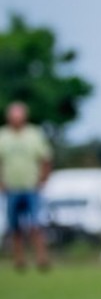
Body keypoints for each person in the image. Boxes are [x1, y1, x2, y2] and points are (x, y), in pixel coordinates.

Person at [0, 100, 53, 271]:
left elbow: (45, 158)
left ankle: (41, 258)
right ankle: (19, 260)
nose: (16, 120)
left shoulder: (34, 134)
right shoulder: (3, 136)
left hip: (32, 187)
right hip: (11, 188)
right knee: (14, 227)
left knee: (36, 224)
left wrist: (43, 178)